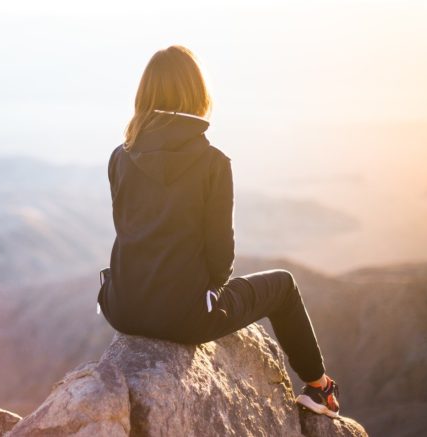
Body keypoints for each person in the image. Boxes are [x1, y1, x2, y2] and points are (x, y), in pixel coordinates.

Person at [97, 44, 340, 418]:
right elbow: (221, 261)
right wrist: (205, 293)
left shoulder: (120, 155)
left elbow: (128, 230)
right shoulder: (213, 163)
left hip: (121, 307)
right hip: (185, 318)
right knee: (284, 285)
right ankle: (319, 387)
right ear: (198, 94)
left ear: (144, 95)